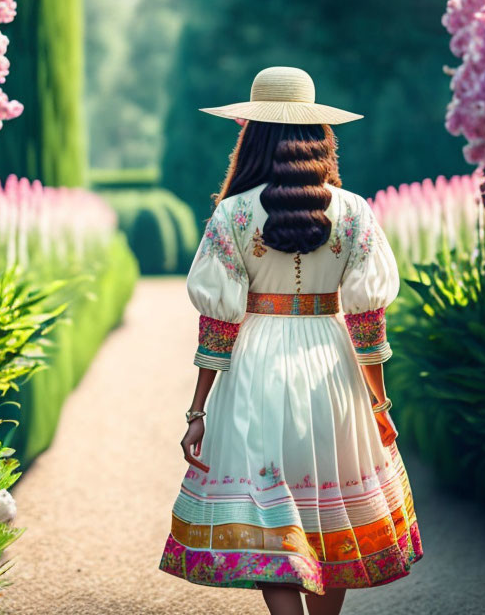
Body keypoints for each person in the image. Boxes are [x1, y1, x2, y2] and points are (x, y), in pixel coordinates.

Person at [157, 66, 423, 615]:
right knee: (330, 515)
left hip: (255, 369)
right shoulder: (353, 212)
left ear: (251, 133)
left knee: (267, 514)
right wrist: (378, 402)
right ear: (320, 132)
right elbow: (368, 319)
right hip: (334, 367)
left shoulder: (232, 214)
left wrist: (197, 409)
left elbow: (219, 323)